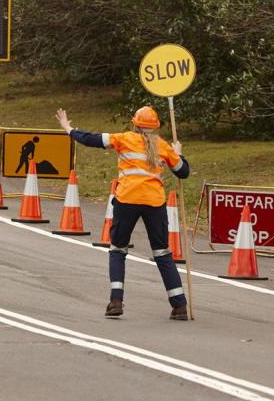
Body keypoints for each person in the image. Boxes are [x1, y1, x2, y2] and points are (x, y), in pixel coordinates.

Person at [55, 105, 191, 320]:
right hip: (154, 202)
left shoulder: (124, 138)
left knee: (118, 249)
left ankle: (116, 300)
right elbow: (183, 172)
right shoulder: (162, 146)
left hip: (127, 199)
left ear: (134, 123)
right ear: (155, 127)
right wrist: (178, 154)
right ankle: (180, 305)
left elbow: (92, 139)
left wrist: (68, 129)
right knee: (162, 252)